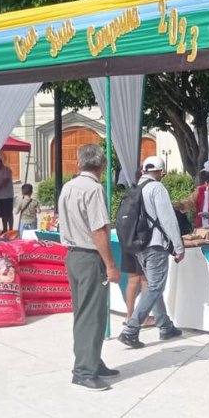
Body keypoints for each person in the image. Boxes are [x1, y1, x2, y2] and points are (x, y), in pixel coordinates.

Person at [58, 144, 120, 391]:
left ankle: (92, 361)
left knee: (85, 312)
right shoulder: (93, 190)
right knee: (92, 315)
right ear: (102, 165)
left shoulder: (69, 187)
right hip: (89, 256)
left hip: (73, 255)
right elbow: (98, 231)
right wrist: (111, 264)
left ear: (79, 163)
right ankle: (84, 370)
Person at [118, 156, 185, 349]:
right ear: (158, 172)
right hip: (155, 245)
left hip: (139, 246)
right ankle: (131, 330)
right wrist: (178, 246)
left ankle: (165, 326)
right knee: (155, 288)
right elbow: (168, 219)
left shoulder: (136, 188)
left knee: (154, 287)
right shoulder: (156, 188)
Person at [180, 160, 209, 230]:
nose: (208, 175)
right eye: (207, 173)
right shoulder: (201, 189)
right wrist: (179, 205)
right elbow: (190, 201)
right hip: (201, 229)